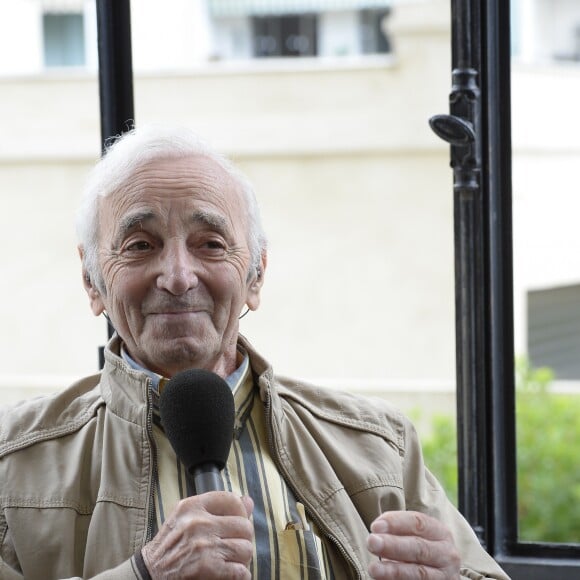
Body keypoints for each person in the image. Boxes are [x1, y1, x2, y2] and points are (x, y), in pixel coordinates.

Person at [0, 125, 509, 580]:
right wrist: (143, 575)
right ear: (92, 282)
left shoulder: (379, 448)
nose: (178, 276)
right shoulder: (13, 463)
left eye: (211, 244)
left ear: (256, 276)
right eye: (139, 245)